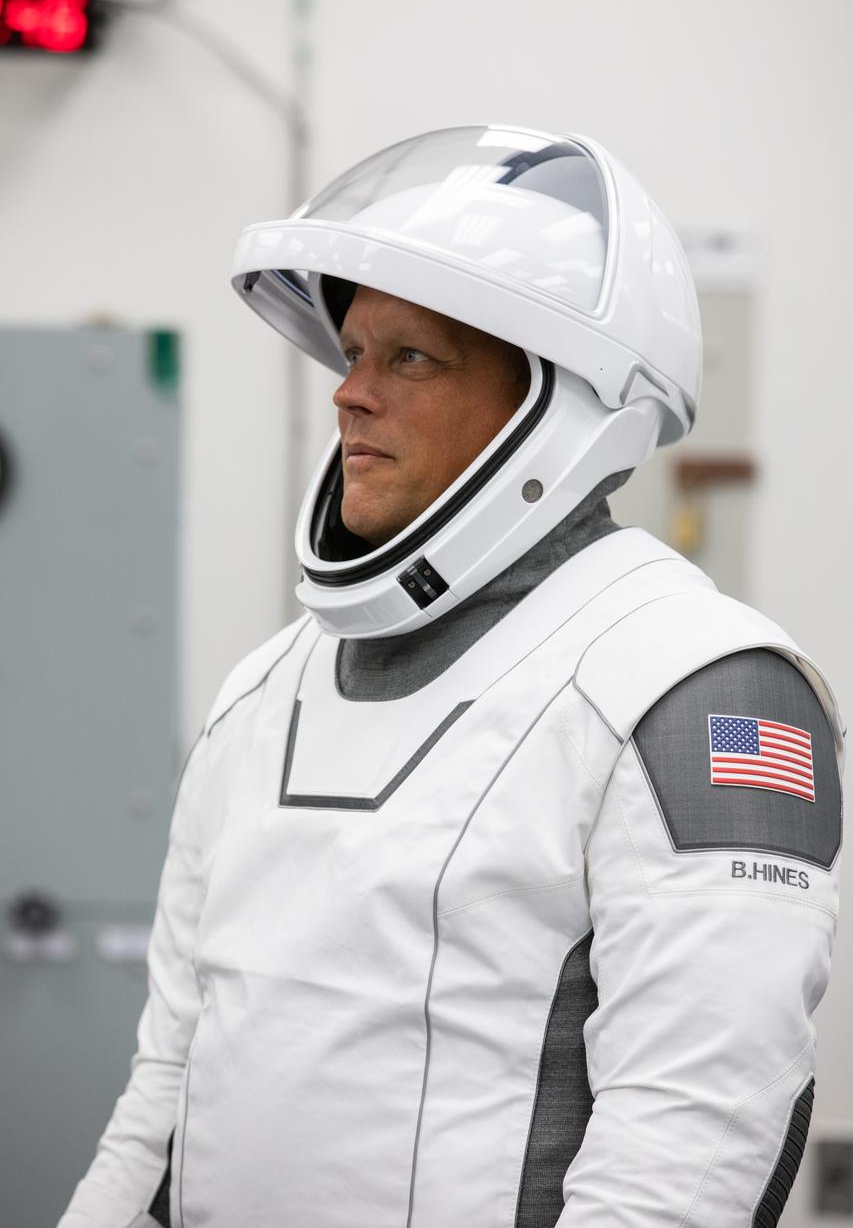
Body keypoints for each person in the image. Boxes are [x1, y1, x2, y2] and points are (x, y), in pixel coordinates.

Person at [59, 126, 843, 1228]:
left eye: (410, 358)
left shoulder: (695, 687)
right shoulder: (265, 687)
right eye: (352, 353)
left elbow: (689, 1149)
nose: (349, 395)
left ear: (557, 408)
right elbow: (164, 1095)